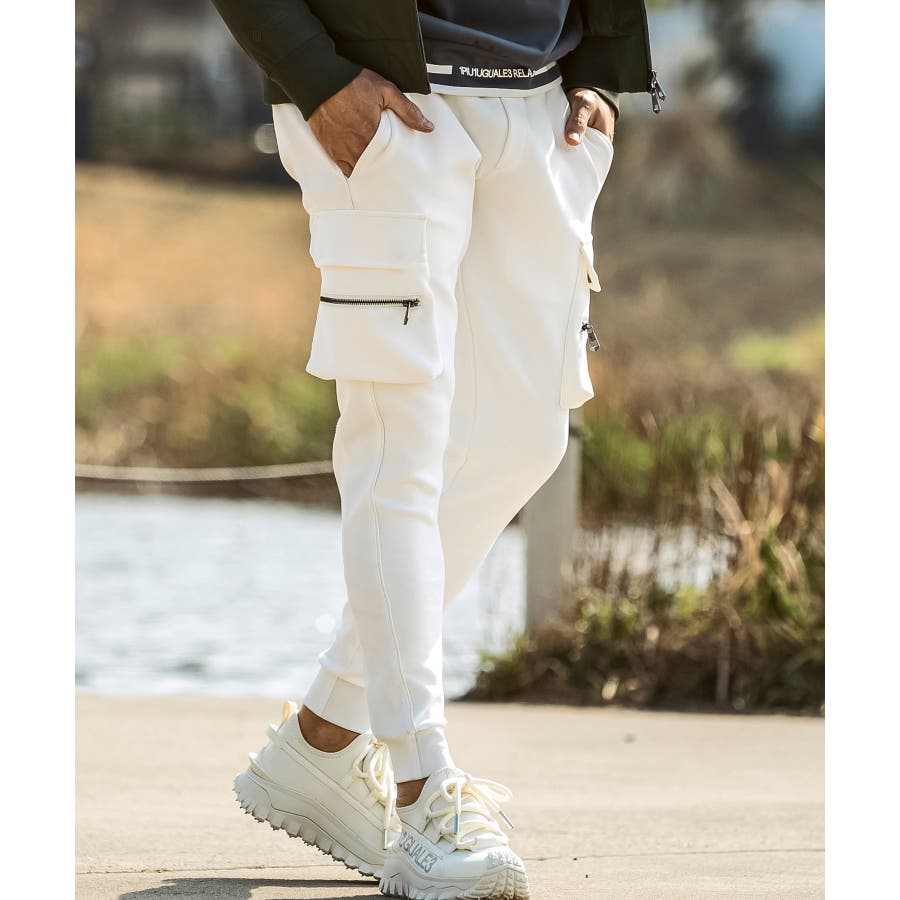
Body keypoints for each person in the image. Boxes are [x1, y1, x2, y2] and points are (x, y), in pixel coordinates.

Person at [209, 2, 662, 897]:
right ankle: (422, 794)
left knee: (523, 439)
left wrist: (601, 70)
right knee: (400, 446)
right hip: (388, 100)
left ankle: (326, 736)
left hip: (542, 102)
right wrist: (316, 77)